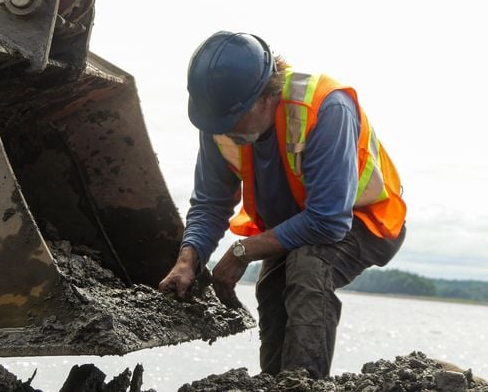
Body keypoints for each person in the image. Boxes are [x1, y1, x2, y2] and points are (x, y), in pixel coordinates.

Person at [158, 31, 407, 378]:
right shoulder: (219, 120)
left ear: (264, 97)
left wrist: (241, 251)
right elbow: (210, 203)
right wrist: (188, 259)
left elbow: (328, 222)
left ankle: (303, 384)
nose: (225, 132)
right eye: (218, 123)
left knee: (309, 267)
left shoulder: (324, 106)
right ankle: (274, 382)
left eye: (232, 122)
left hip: (363, 221)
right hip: (298, 225)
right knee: (272, 288)